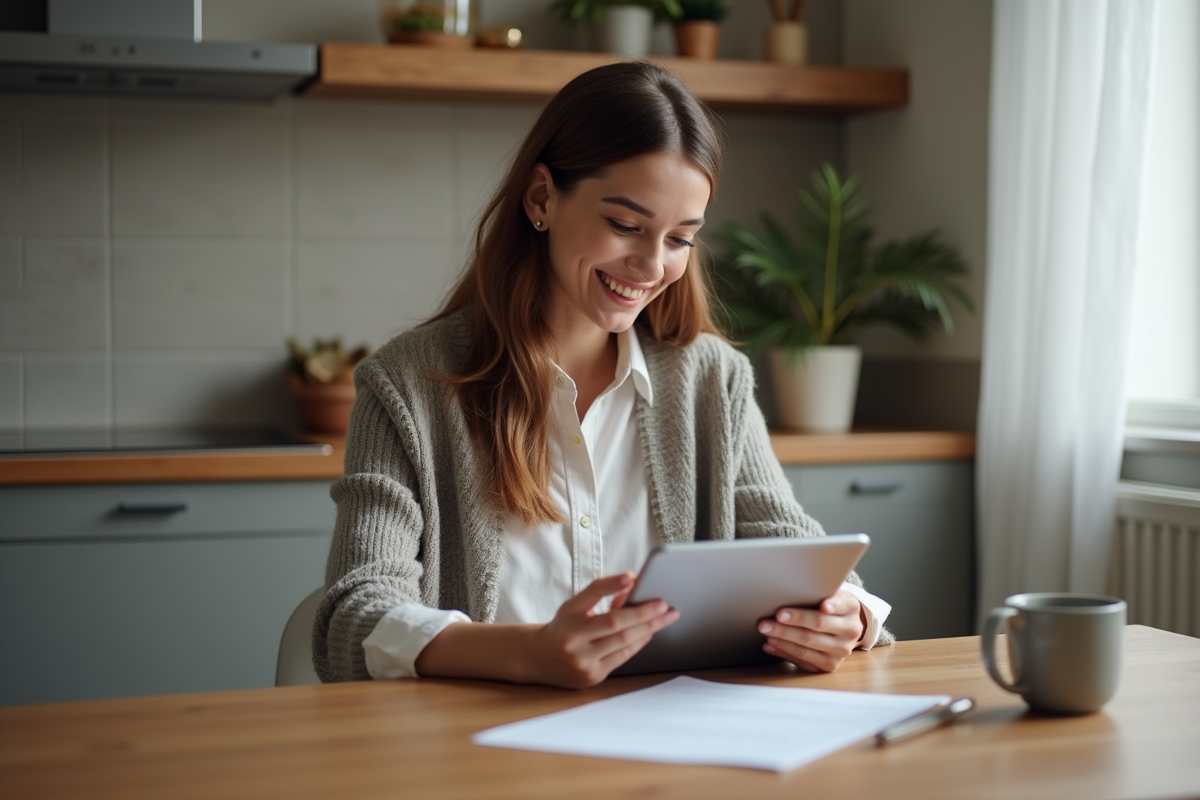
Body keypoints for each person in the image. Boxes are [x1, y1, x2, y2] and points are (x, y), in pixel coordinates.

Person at [313, 61, 893, 689]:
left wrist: (847, 617)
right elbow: (354, 613)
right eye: (625, 225)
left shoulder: (712, 382)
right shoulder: (408, 386)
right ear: (541, 198)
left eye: (680, 239)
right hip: (474, 757)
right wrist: (527, 653)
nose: (650, 265)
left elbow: (806, 561)